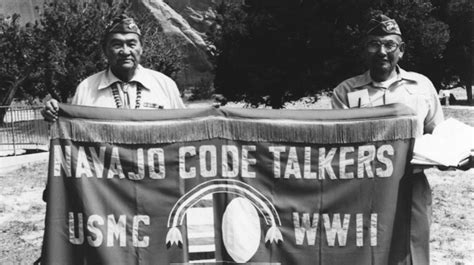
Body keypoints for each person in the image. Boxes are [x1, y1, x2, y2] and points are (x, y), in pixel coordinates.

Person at [331, 14, 444, 265]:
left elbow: (439, 135)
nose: (381, 51)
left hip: (410, 185)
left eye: (389, 44)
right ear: (364, 50)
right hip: (361, 189)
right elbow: (337, 148)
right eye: (374, 44)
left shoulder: (421, 86)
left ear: (401, 50)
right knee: (363, 254)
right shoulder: (346, 92)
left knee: (412, 254)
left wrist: (456, 155)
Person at [42, 14, 185, 122]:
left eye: (131, 44)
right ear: (105, 50)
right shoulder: (86, 88)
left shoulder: (165, 85)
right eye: (117, 45)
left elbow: (186, 128)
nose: (125, 51)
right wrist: (56, 114)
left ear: (141, 48)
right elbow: (73, 133)